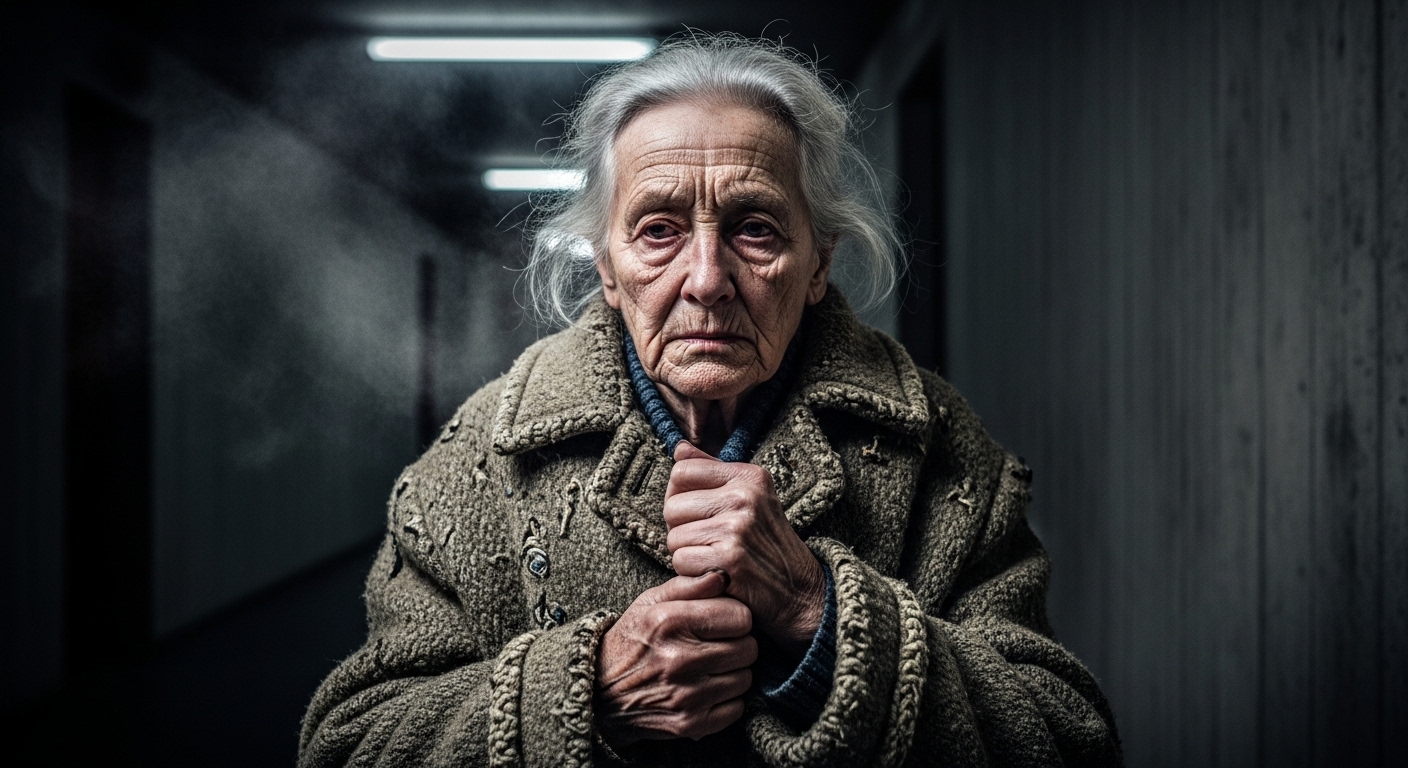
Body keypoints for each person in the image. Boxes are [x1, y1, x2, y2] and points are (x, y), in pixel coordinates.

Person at [299, 34, 1121, 768]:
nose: (705, 279)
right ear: (607, 269)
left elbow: (1066, 737)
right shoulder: (485, 459)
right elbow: (352, 742)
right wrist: (589, 690)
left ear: (818, 263)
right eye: (658, 229)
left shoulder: (936, 450)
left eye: (755, 228)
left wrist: (820, 615)